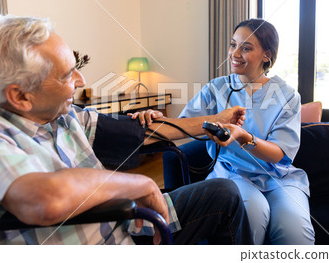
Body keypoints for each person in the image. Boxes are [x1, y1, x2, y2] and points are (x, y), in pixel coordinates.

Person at [0, 13, 252, 245]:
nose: (80, 80)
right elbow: (44, 200)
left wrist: (217, 121)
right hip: (98, 238)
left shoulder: (62, 116)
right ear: (20, 96)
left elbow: (144, 132)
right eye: (67, 74)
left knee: (224, 194)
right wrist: (142, 184)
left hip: (128, 225)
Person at [133, 19, 315, 245]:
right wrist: (157, 117)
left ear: (266, 56)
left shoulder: (287, 95)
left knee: (294, 231)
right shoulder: (216, 88)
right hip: (233, 173)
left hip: (278, 178)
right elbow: (184, 126)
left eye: (245, 48)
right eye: (233, 45)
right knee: (254, 215)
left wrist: (242, 137)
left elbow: (279, 153)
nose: (234, 53)